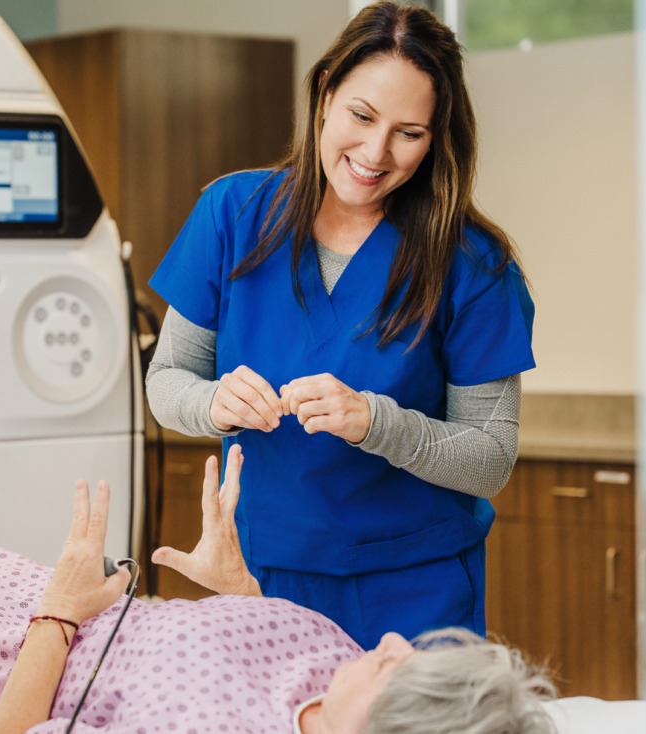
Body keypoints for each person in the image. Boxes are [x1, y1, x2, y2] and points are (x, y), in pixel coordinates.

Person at [145, 0, 535, 649]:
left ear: (438, 136)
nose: (376, 152)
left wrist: (377, 424)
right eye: (362, 115)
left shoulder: (471, 263)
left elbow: (489, 459)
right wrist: (212, 401)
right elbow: (166, 382)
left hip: (415, 589)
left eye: (409, 131)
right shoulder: (232, 214)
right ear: (325, 92)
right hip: (263, 576)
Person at [0, 444, 556, 734]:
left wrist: (60, 615)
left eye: (400, 670)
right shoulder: (341, 667)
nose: (391, 641)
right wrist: (239, 592)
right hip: (1, 588)